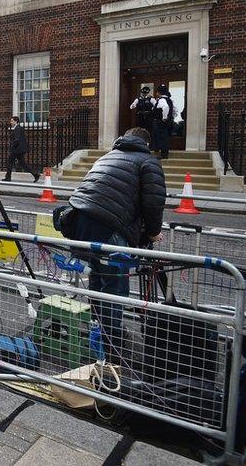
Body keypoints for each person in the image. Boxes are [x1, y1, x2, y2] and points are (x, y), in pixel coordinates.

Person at [67, 127, 166, 359]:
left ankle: (98, 329)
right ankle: (111, 342)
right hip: (109, 225)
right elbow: (154, 202)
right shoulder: (148, 161)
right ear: (147, 144)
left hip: (81, 220)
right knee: (115, 286)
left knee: (97, 277)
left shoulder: (107, 156)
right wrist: (153, 233)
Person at [3, 116, 40, 183]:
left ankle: (8, 177)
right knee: (23, 163)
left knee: (10, 162)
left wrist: (12, 147)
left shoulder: (17, 128)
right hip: (20, 149)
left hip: (17, 149)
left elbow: (17, 140)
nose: (10, 122)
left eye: (12, 121)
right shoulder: (19, 128)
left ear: (15, 121)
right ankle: (35, 174)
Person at [151, 84, 174, 159]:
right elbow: (175, 110)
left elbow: (165, 107)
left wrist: (164, 117)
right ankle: (160, 151)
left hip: (160, 122)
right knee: (163, 136)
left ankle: (163, 154)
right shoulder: (169, 100)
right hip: (166, 122)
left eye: (157, 92)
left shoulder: (162, 100)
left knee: (162, 137)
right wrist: (170, 117)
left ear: (159, 92)